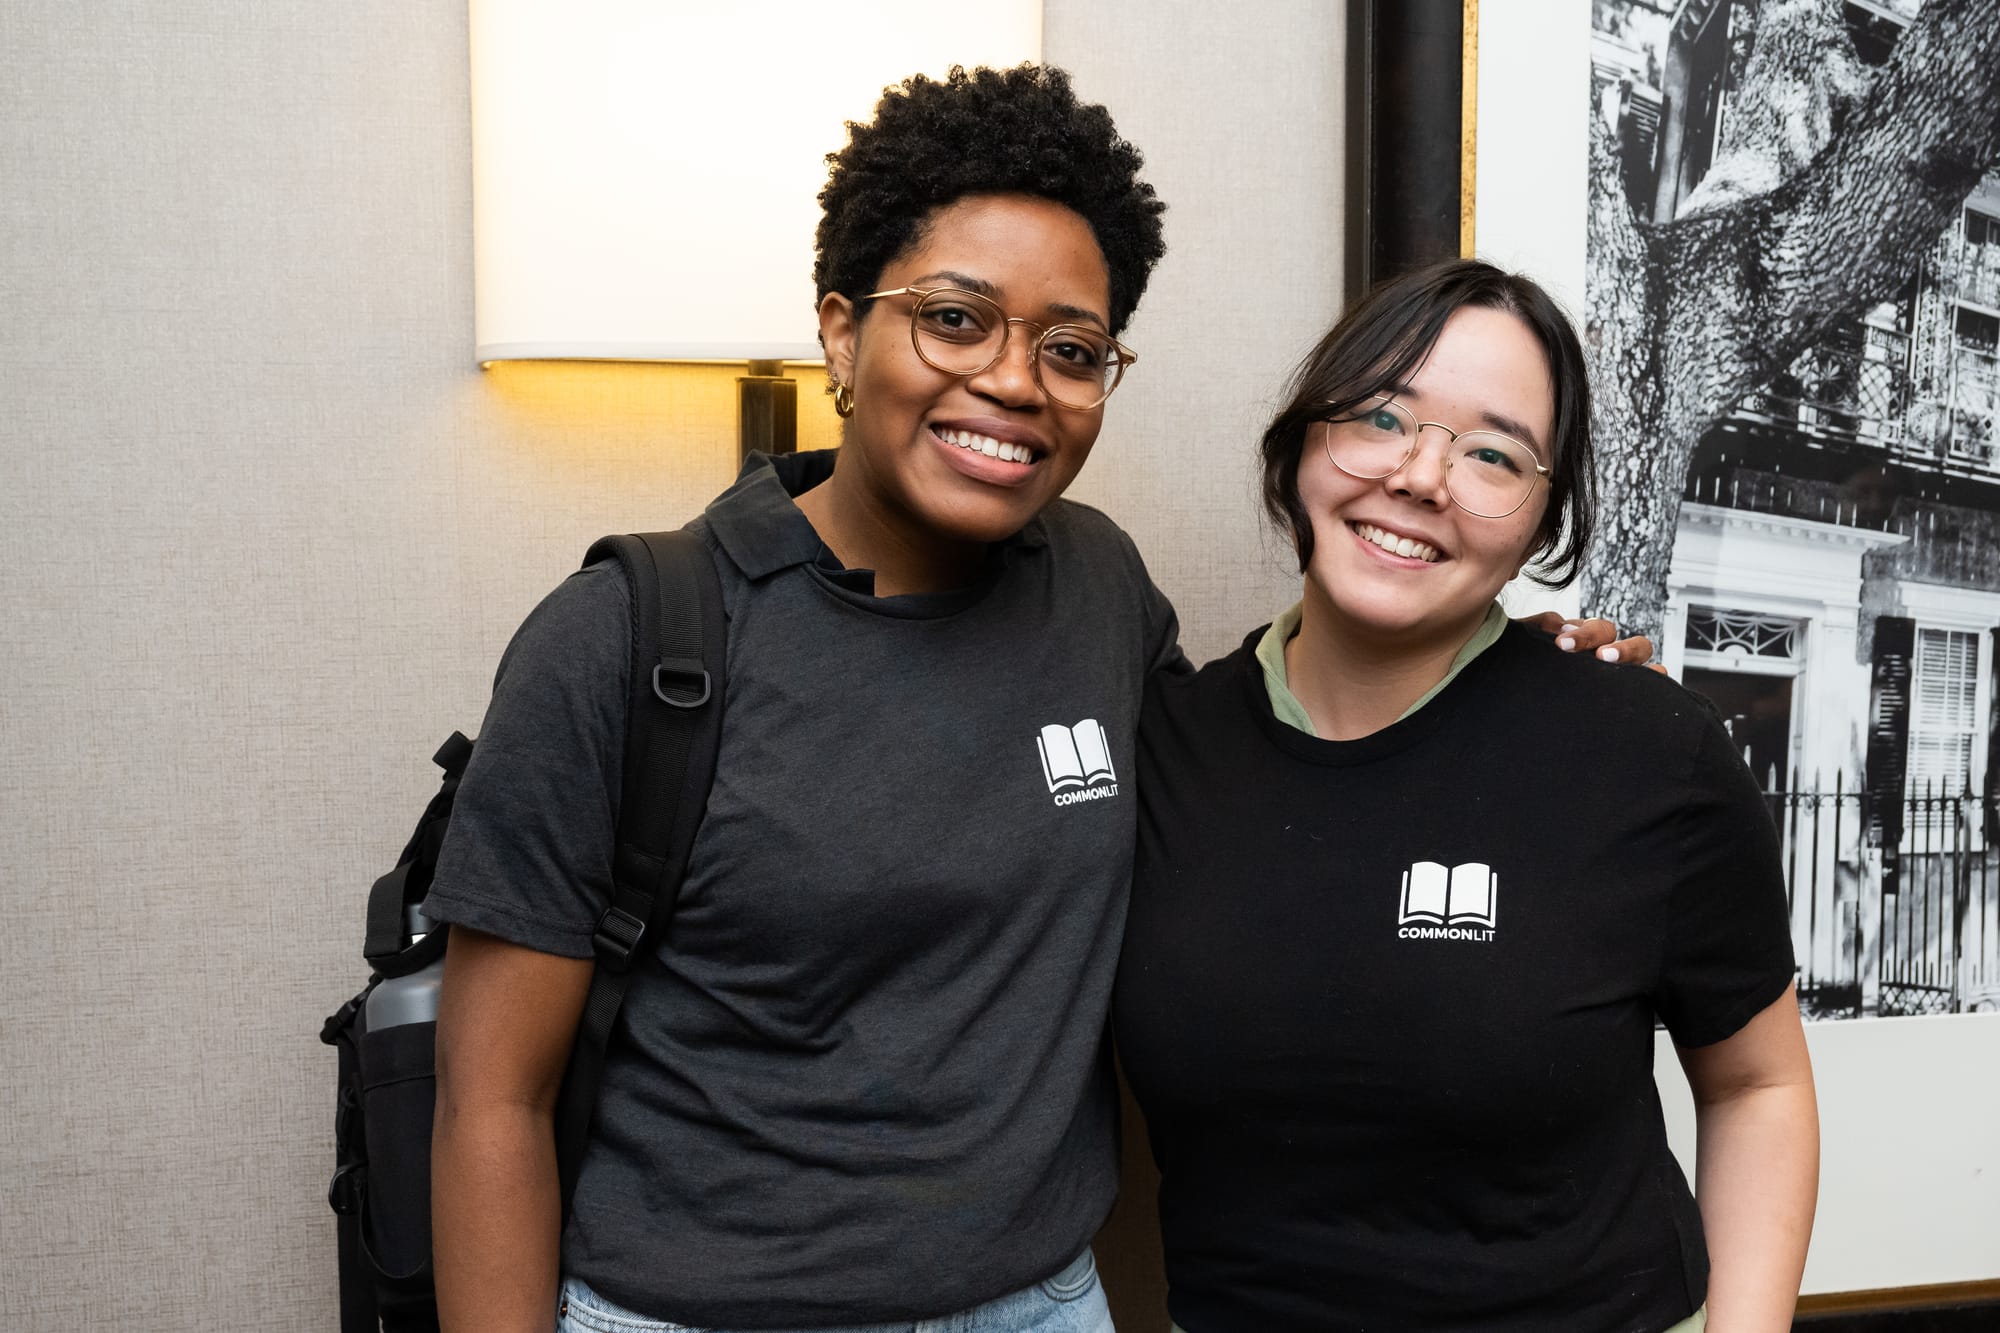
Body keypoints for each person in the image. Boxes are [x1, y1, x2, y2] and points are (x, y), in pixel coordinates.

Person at [426, 67, 1644, 1333]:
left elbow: (1275, 785)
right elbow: (489, 1102)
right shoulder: (626, 639)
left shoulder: (1099, 589)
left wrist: (1515, 679)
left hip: (1041, 1304)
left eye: (1070, 349)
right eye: (955, 320)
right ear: (840, 333)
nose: (1015, 381)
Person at [1113, 259, 1819, 1333]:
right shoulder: (1160, 746)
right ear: (1305, 441)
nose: (1420, 476)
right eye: (1381, 417)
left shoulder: (1644, 749)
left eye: (1492, 453)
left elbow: (1756, 1088)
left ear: (1541, 522)